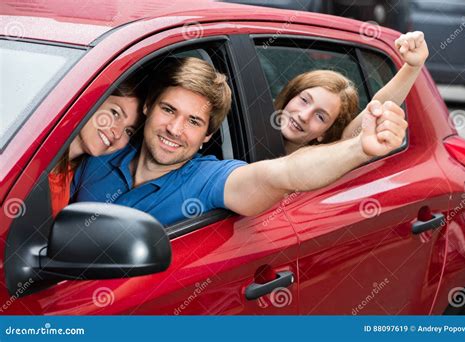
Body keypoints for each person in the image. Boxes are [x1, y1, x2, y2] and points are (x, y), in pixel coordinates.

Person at [70, 56, 407, 226]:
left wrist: (359, 147)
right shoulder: (102, 151)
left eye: (194, 121)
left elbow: (282, 174)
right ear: (148, 107)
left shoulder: (208, 179)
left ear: (208, 136)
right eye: (168, 110)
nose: (174, 128)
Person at [276, 31, 428, 154]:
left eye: (320, 117)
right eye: (304, 100)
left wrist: (412, 67)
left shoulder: (323, 158)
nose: (304, 116)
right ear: (290, 95)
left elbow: (377, 108)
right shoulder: (253, 114)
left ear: (324, 134)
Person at [49, 73, 146, 217]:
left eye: (129, 131)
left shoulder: (72, 178)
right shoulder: (34, 162)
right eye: (115, 113)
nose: (117, 133)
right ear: (91, 99)